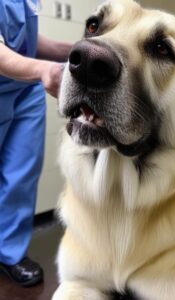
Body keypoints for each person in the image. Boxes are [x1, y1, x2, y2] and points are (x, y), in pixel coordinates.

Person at [0, 0, 72, 286]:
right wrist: (44, 70)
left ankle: (10, 254)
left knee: (22, 172)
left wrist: (75, 48)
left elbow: (28, 38)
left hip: (24, 88)